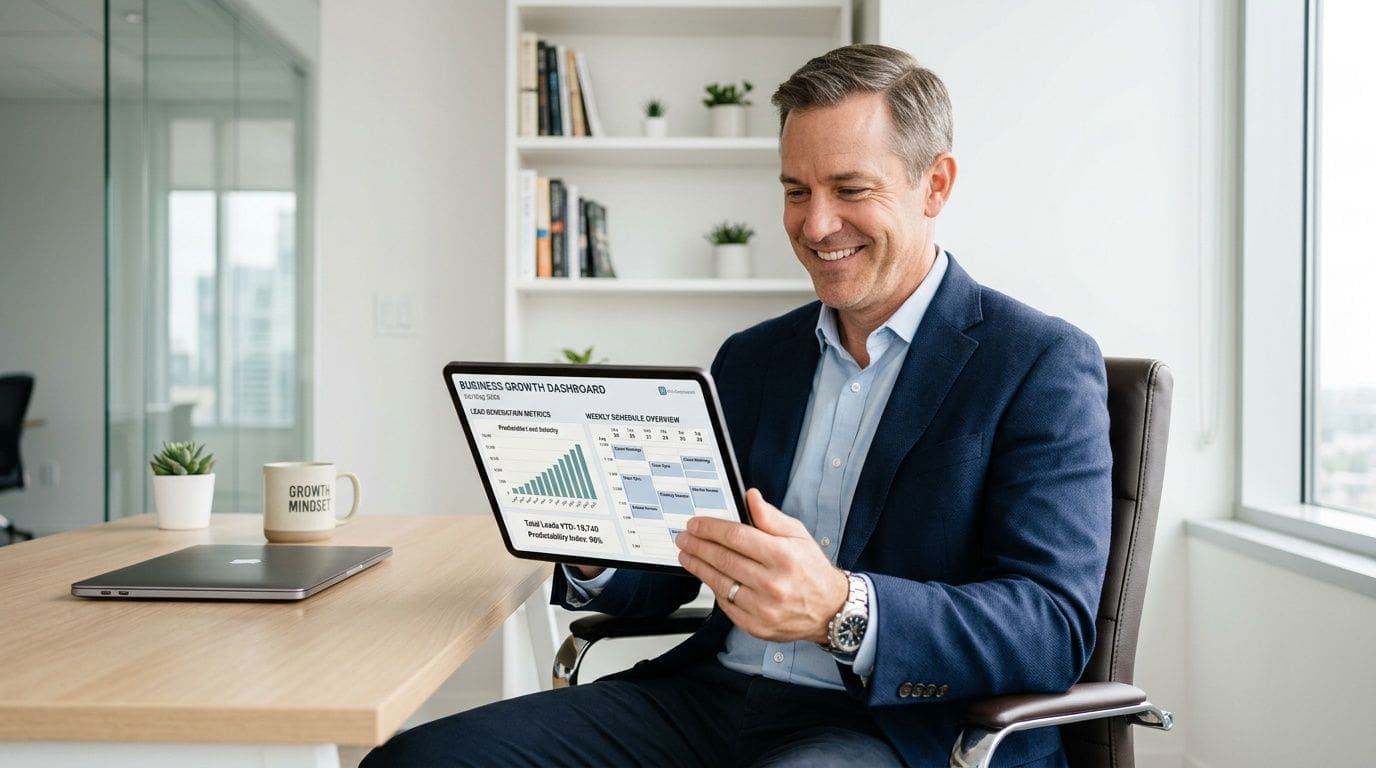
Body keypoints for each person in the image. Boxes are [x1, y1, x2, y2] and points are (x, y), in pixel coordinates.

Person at [364, 43, 1111, 768]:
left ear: (935, 185)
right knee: (417, 759)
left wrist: (842, 609)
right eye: (795, 191)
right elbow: (667, 576)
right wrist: (595, 543)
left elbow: (1051, 627)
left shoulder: (1038, 363)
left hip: (892, 726)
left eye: (850, 190)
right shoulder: (754, 359)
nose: (816, 225)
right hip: (705, 697)